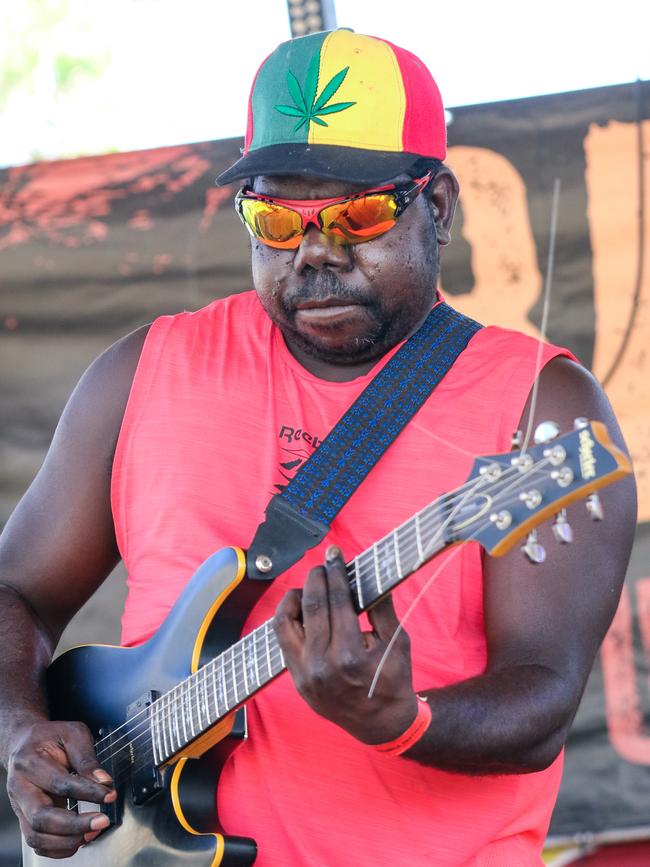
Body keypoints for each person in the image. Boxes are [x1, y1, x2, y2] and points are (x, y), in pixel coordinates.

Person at [0, 28, 637, 866]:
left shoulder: (542, 408)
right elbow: (15, 590)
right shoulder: (141, 373)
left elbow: (544, 700)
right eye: (277, 217)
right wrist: (21, 734)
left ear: (437, 206)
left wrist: (400, 717)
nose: (317, 253)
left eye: (360, 214)